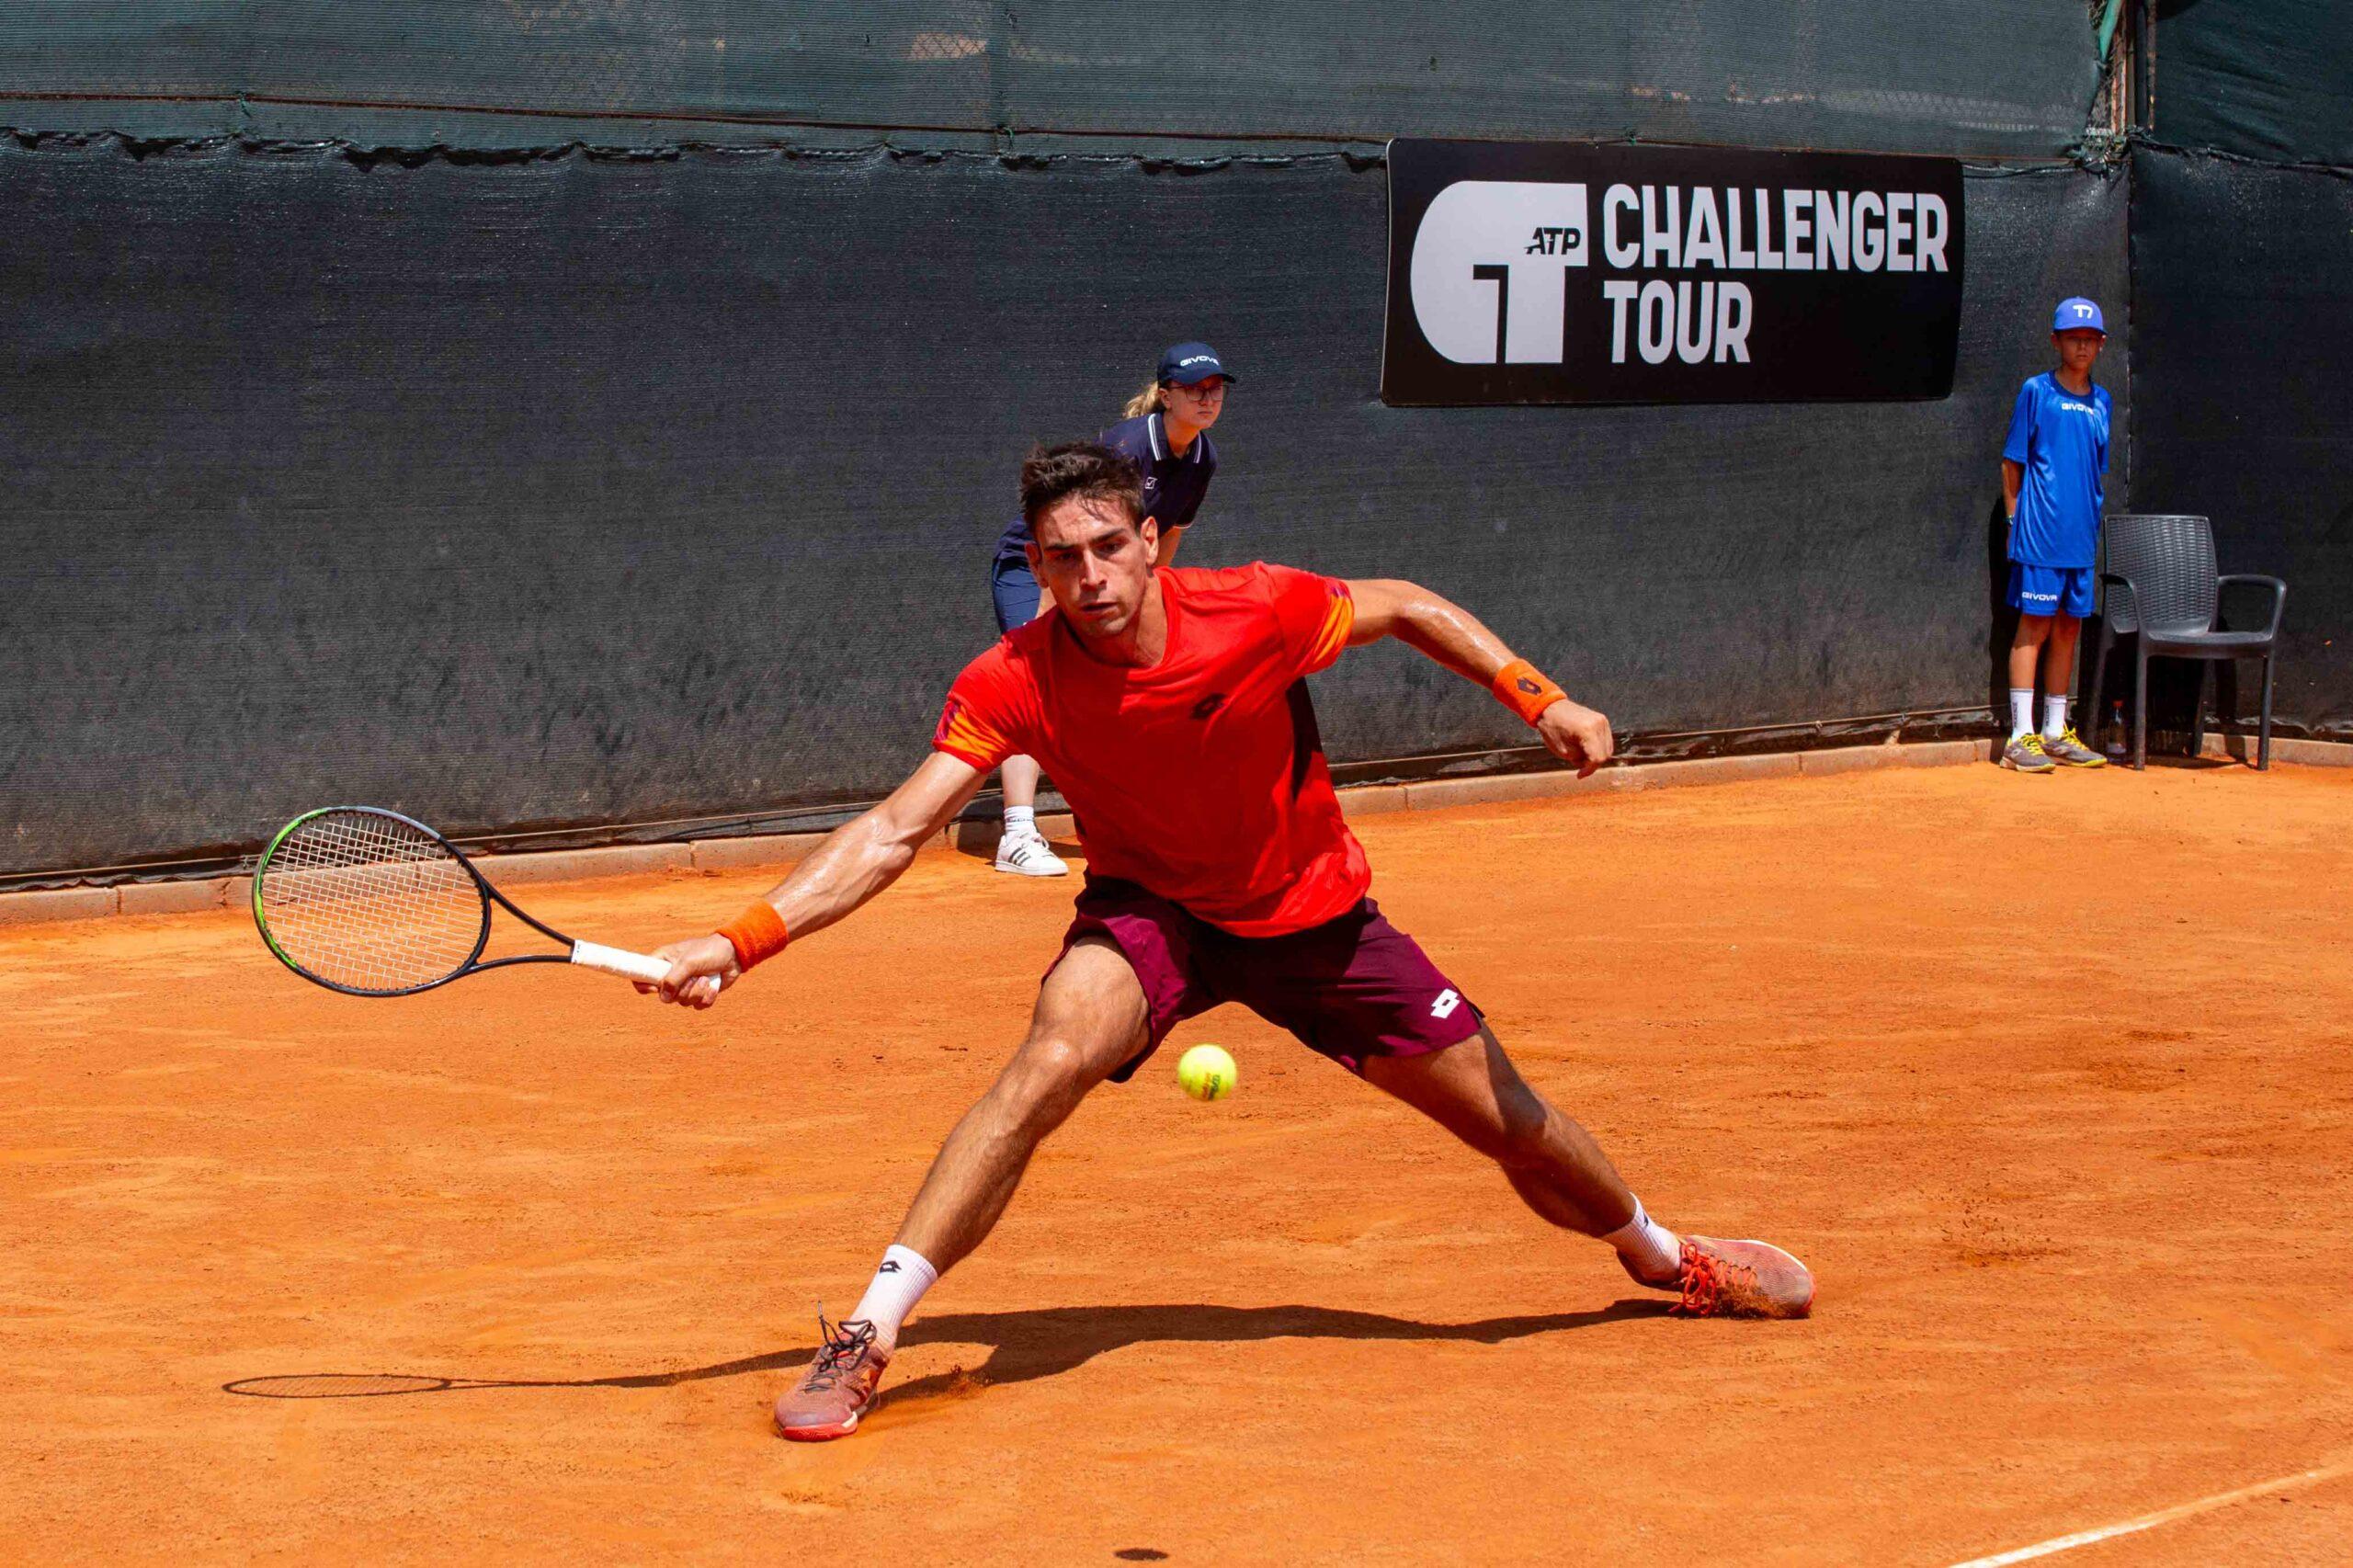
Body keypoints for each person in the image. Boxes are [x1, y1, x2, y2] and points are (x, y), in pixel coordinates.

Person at [648, 441, 1813, 1443]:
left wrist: (1537, 694)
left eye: (1108, 546)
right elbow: (896, 828)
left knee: (1509, 1119)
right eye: (1061, 557)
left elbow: (1402, 600)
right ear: (1035, 567)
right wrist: (740, 937)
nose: (1089, 576)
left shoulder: (1255, 609)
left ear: (1152, 540)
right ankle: (869, 1331)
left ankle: (1665, 1257)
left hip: (1315, 917)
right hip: (1155, 915)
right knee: (1044, 1063)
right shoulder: (1013, 680)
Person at [983, 342, 1234, 875]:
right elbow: (1070, 536)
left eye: (1215, 388)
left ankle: (1129, 824)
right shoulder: (1127, 448)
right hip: (1046, 564)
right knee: (1037, 683)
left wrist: (1150, 605)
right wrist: (1050, 611)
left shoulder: (1202, 458)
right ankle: (1017, 832)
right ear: (1166, 396)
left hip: (1103, 571)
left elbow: (1161, 541)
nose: (1207, 398)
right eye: (1194, 389)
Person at [1998, 297, 2114, 773]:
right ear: (2056, 341)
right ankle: (2019, 737)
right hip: (2040, 536)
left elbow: (2093, 472)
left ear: (2101, 345)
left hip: (2080, 540)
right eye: (2073, 338)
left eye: (2089, 339)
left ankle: (2053, 732)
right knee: (2035, 627)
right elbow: (2012, 462)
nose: (2082, 345)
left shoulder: (2102, 401)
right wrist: (2013, 521)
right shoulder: (2036, 392)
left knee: (2069, 628)